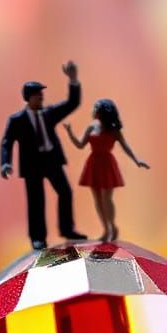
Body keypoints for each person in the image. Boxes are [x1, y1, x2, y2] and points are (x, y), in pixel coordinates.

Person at [0, 61, 88, 251]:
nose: (41, 97)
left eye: (41, 94)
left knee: (65, 191)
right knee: (36, 201)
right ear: (29, 98)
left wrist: (73, 80)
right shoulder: (17, 120)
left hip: (52, 160)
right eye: (38, 95)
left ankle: (67, 228)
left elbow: (72, 103)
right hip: (32, 165)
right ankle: (38, 238)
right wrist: (5, 163)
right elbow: (7, 142)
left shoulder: (49, 114)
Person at [63, 98, 149, 242]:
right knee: (97, 198)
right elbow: (80, 144)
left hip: (107, 163)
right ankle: (105, 229)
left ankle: (112, 226)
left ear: (101, 112)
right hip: (94, 163)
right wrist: (70, 133)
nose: (93, 111)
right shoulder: (92, 127)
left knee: (106, 197)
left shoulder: (114, 130)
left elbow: (125, 146)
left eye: (95, 109)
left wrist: (136, 160)